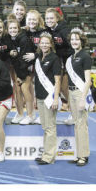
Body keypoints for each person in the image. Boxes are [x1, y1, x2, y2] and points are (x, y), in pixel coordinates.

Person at [66, 28, 93, 166]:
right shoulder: (71, 57)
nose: (74, 42)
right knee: (77, 124)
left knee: (82, 124)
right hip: (71, 93)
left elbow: (88, 80)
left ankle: (84, 155)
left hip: (80, 92)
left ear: (81, 40)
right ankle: (79, 154)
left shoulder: (85, 56)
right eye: (72, 39)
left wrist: (83, 98)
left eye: (77, 39)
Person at [34, 32, 61, 165]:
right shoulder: (39, 57)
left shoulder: (55, 58)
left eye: (46, 42)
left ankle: (49, 156)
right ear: (39, 44)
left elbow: (58, 80)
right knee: (45, 127)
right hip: (39, 96)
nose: (44, 44)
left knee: (50, 127)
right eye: (42, 42)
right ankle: (46, 153)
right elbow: (37, 80)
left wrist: (56, 99)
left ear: (50, 44)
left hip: (49, 98)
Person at [45, 8, 73, 119]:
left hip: (64, 62)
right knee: (55, 87)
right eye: (47, 18)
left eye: (51, 18)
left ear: (57, 18)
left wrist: (66, 63)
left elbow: (71, 47)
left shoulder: (64, 30)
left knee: (64, 88)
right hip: (55, 62)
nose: (49, 20)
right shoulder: (48, 29)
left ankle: (73, 112)